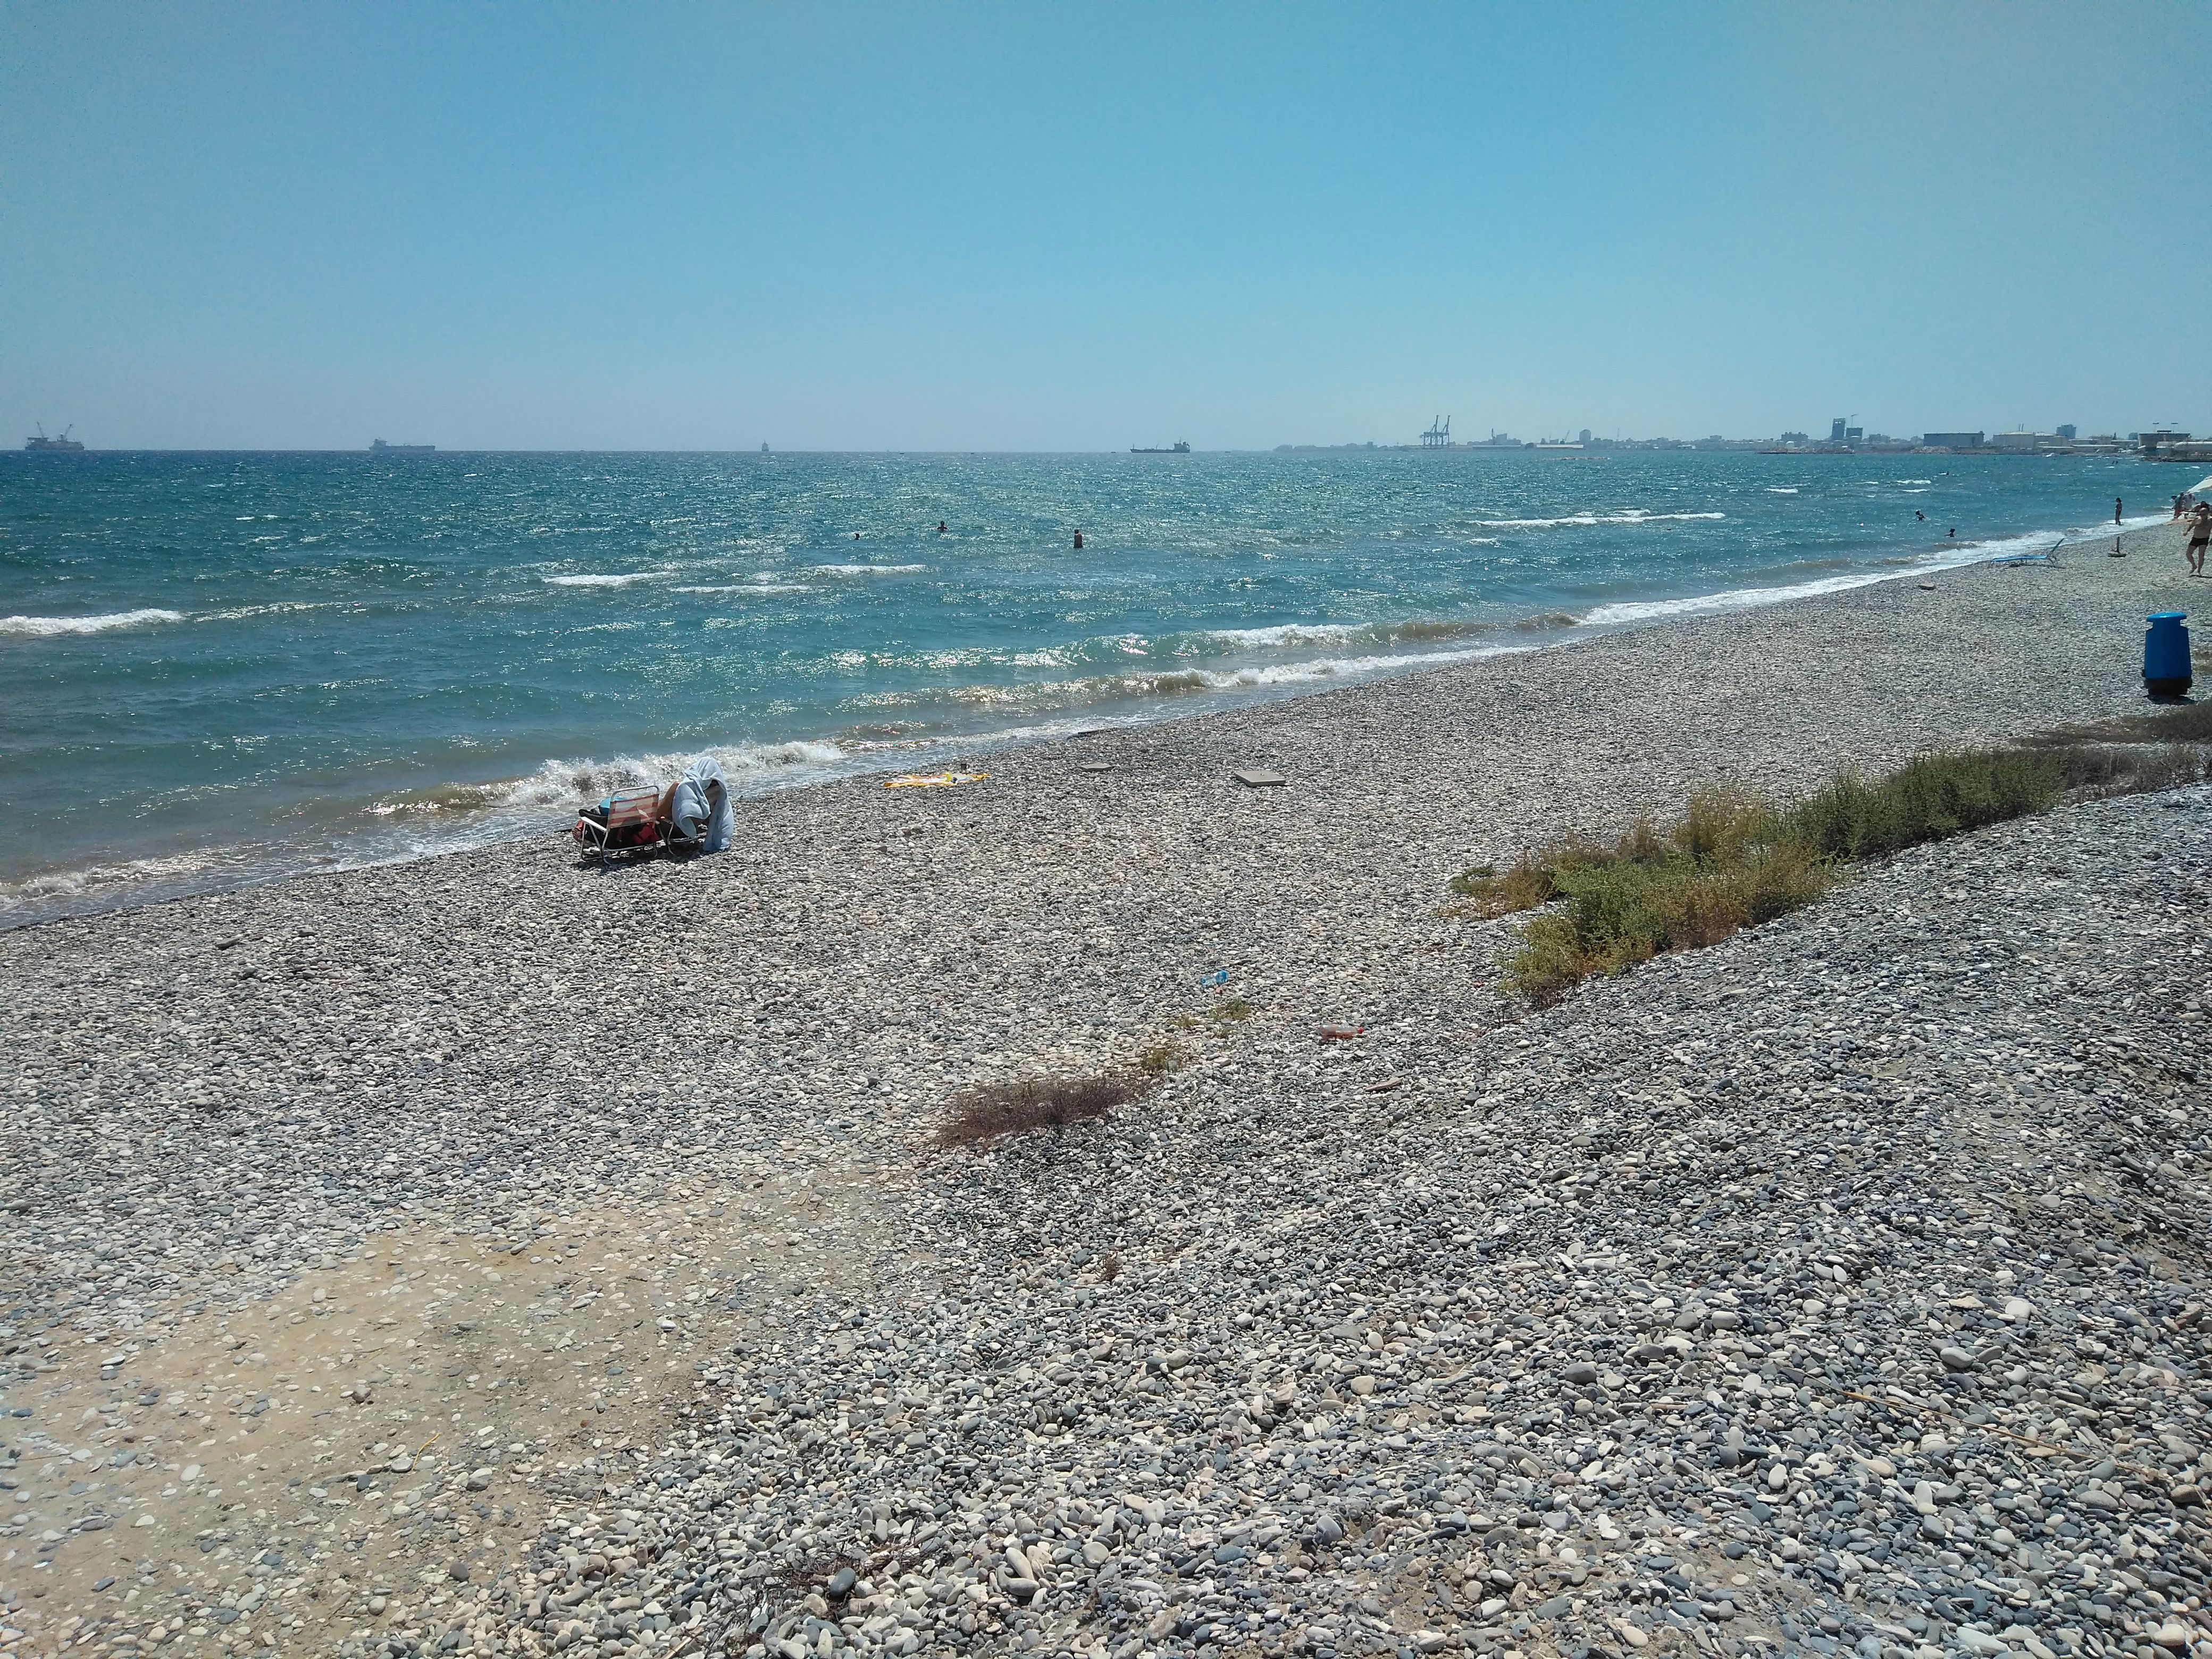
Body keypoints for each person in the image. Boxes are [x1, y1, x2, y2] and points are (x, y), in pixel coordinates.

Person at [2189, 503, 2211, 577]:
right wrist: (2187, 532)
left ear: (2208, 513)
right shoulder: (2197, 519)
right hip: (2195, 538)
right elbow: (2191, 526)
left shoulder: (2211, 520)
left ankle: (2199, 570)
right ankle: (2194, 565)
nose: (2202, 516)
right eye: (2201, 514)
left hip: (2204, 539)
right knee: (2188, 554)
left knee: (2201, 555)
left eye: (2204, 514)